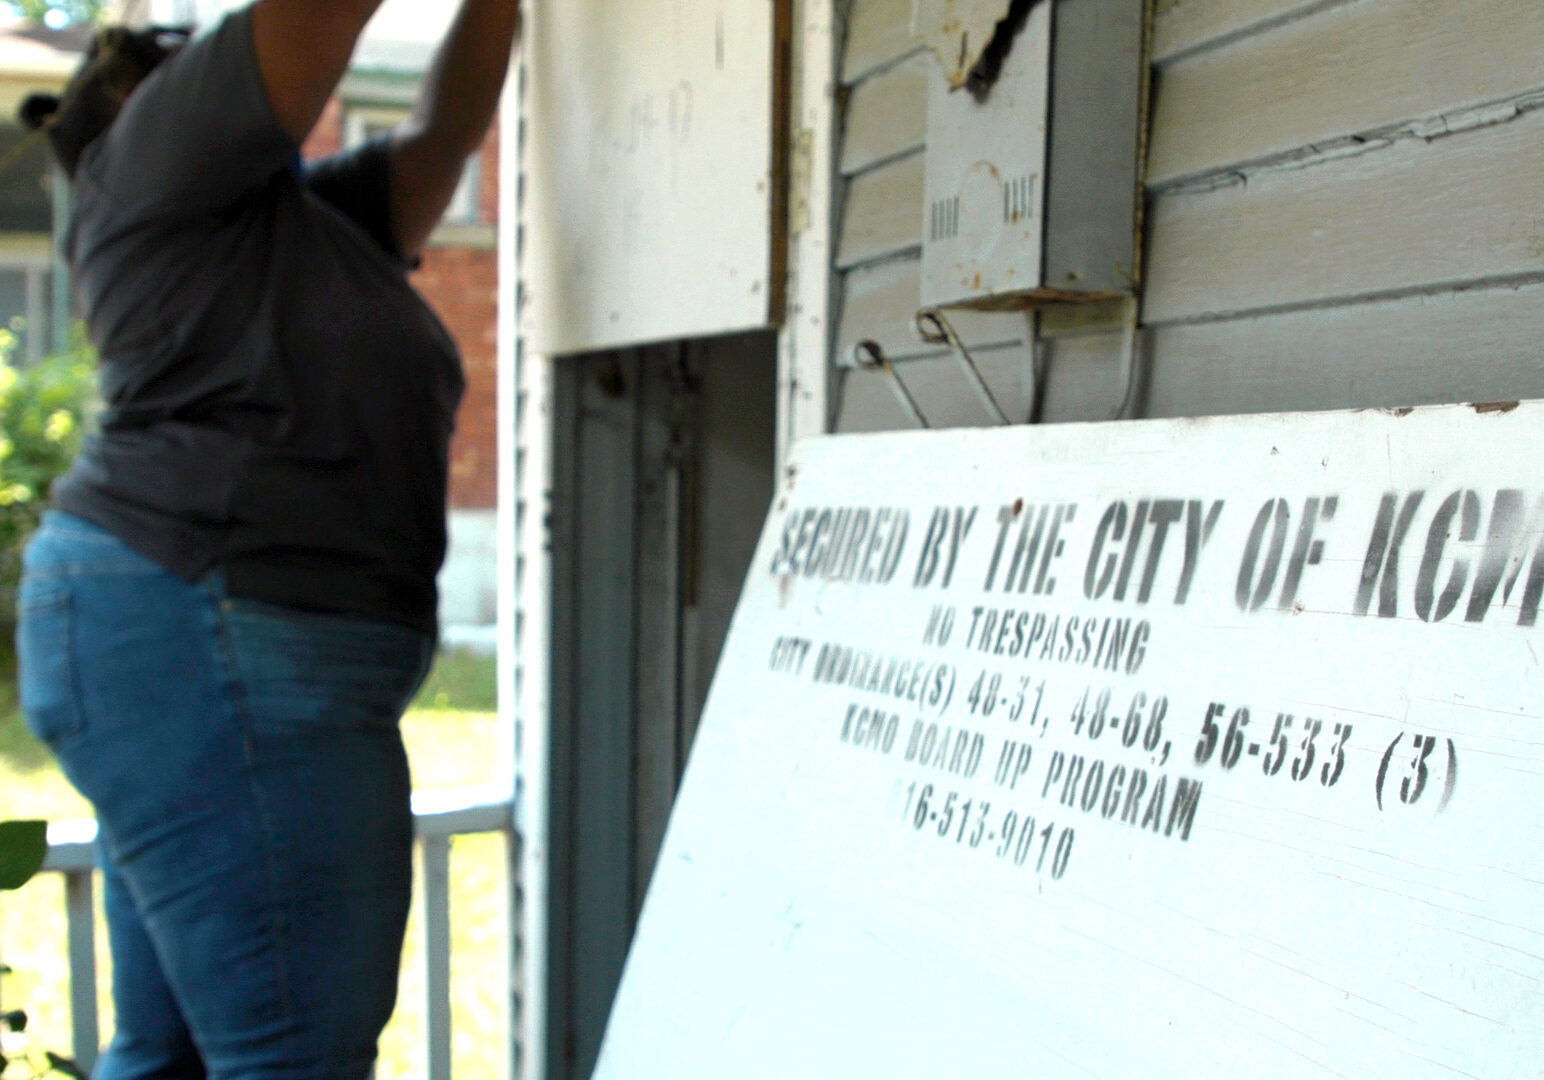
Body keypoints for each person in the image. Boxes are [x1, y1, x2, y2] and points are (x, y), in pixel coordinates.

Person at [13, 0, 518, 1075]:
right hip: (211, 632)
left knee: (174, 1056)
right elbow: (311, 20)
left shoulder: (297, 227)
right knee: (294, 1058)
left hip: (197, 636)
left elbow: (444, 135)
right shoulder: (143, 156)